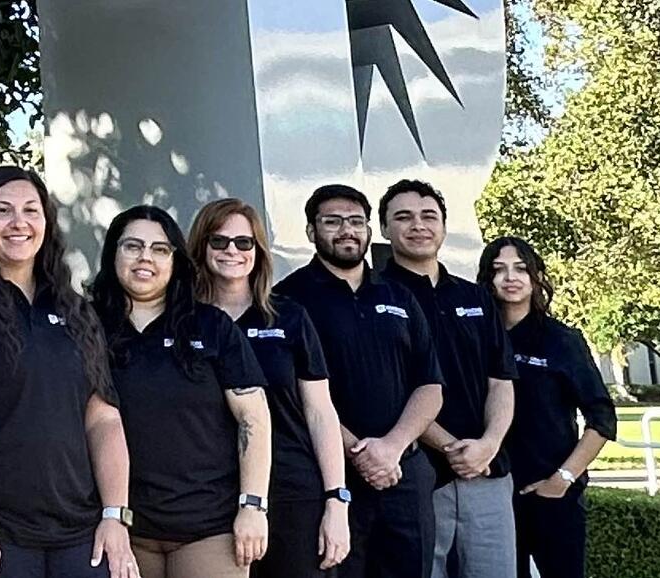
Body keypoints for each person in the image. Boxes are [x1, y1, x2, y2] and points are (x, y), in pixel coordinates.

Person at [0, 167, 136, 578]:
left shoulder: (75, 309)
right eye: (3, 210)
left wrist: (115, 515)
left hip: (81, 532)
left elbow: (103, 418)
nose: (18, 222)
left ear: (46, 222)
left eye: (30, 210)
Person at [90, 205, 274, 578]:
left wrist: (253, 506)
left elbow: (253, 418)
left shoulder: (212, 325)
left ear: (175, 261)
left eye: (160, 249)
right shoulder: (86, 326)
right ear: (113, 254)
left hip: (208, 526)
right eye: (133, 246)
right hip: (118, 527)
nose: (145, 258)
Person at [275, 184, 445, 578]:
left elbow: (430, 386)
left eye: (355, 221)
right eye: (332, 222)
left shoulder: (400, 296)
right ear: (311, 231)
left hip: (404, 472)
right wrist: (361, 453)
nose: (346, 230)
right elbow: (293, 396)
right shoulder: (287, 301)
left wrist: (391, 448)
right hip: (330, 479)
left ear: (369, 230)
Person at [188, 199, 352, 578]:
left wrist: (336, 500)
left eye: (244, 242)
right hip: (207, 495)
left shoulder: (289, 317)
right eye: (219, 241)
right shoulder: (183, 323)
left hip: (292, 490)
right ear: (201, 247)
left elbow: (320, 411)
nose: (232, 251)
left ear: (258, 251)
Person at [377, 180, 517, 578]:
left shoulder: (476, 298)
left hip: (487, 472)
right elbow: (392, 392)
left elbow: (501, 380)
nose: (418, 225)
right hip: (416, 476)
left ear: (443, 225)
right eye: (403, 217)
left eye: (429, 216)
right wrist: (453, 449)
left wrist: (488, 445)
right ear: (384, 228)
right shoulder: (375, 298)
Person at [479, 237, 615, 578]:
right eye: (499, 270)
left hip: (552, 493)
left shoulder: (562, 341)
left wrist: (563, 478)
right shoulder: (477, 339)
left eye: (521, 269)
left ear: (537, 277)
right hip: (491, 493)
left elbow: (602, 418)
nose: (511, 277)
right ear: (487, 279)